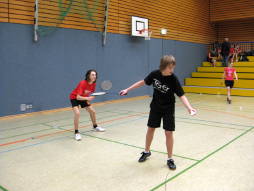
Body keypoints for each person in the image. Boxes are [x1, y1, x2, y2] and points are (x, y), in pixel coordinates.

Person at [119, 55, 196, 170]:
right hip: (155, 106)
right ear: (164, 67)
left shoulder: (173, 79)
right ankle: (146, 151)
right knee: (151, 129)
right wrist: (127, 90)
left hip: (168, 108)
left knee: (168, 133)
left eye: (173, 67)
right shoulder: (155, 74)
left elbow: (181, 95)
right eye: (170, 68)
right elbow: (142, 82)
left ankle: (170, 159)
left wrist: (189, 108)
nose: (172, 70)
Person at [70, 69, 105, 141]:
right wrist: (88, 98)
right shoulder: (82, 83)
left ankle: (95, 126)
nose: (94, 76)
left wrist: (88, 100)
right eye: (92, 75)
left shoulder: (93, 84)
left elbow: (89, 93)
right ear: (88, 75)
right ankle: (76, 133)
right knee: (77, 113)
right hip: (74, 98)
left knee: (92, 111)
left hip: (83, 98)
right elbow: (78, 97)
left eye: (95, 75)